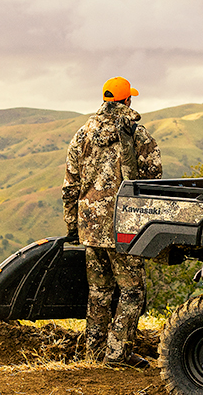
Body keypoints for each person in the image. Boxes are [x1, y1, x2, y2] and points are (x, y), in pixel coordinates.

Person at [63, 76, 162, 368]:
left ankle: (94, 353)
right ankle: (118, 354)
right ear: (127, 100)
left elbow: (70, 185)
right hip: (124, 226)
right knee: (132, 291)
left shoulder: (82, 134)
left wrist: (72, 225)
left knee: (99, 291)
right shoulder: (137, 135)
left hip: (90, 226)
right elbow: (153, 180)